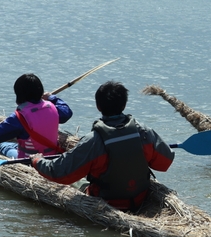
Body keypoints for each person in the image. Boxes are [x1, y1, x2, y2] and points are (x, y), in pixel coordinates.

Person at [30, 81, 175, 211]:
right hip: (139, 199)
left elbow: (60, 173)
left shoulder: (93, 141)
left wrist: (37, 161)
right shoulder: (144, 132)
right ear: (124, 105)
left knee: (79, 181)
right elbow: (165, 163)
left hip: (108, 202)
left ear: (98, 106)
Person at [0, 73, 73, 159]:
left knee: (1, 145)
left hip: (30, 160)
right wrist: (52, 97)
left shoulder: (20, 117)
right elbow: (67, 112)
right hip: (52, 156)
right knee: (13, 145)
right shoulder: (53, 107)